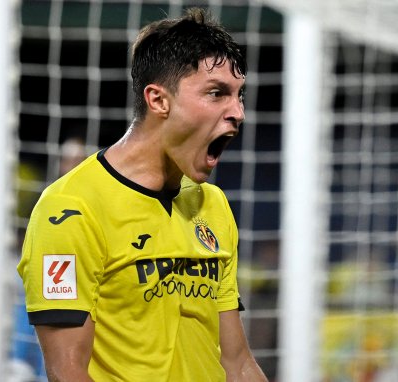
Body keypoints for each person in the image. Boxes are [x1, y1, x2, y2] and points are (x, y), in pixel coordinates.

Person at [17, 8, 268, 381]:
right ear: (158, 100)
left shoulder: (211, 205)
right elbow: (67, 372)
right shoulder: (71, 210)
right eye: (217, 93)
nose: (238, 112)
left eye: (238, 95)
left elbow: (237, 362)